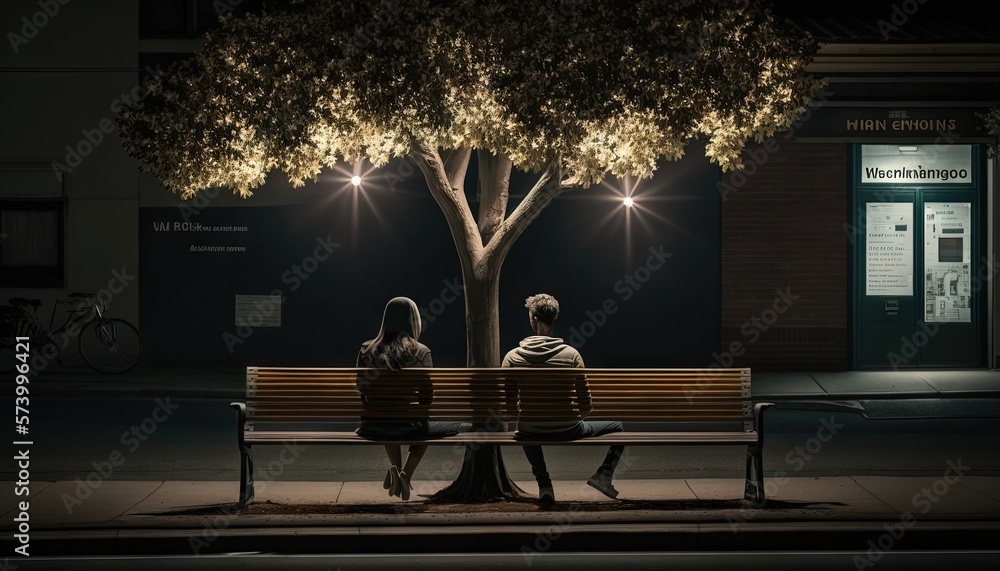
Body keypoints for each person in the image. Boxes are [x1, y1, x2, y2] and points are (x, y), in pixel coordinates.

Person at [502, 293, 625, 505]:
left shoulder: (513, 357)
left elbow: (510, 409)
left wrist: (527, 415)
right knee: (618, 425)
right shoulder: (572, 355)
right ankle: (603, 475)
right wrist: (569, 417)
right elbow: (586, 405)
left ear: (533, 319)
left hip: (530, 428)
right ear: (554, 319)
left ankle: (544, 485)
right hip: (568, 427)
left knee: (525, 426)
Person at [355, 296, 472, 500]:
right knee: (443, 425)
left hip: (373, 426)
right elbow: (427, 398)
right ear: (413, 320)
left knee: (388, 415)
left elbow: (360, 387)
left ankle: (396, 468)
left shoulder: (366, 350)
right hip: (408, 426)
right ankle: (405, 476)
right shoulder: (421, 351)